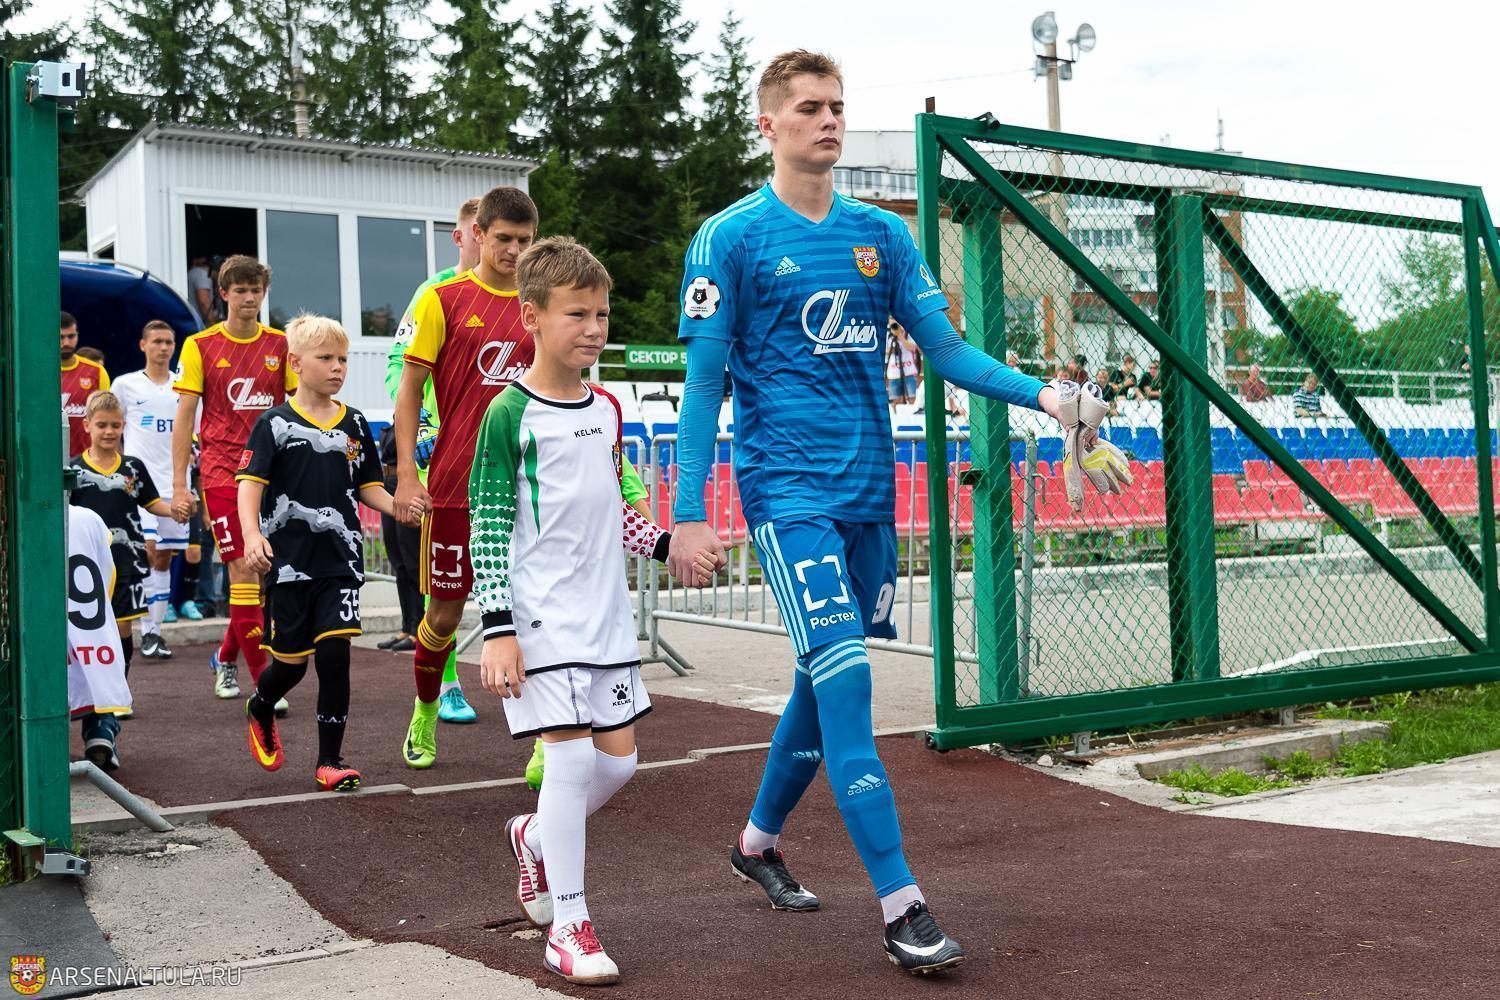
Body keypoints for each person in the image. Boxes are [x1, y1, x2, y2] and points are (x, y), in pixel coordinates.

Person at [667, 49, 1129, 974]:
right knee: (847, 683)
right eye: (809, 107)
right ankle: (901, 903)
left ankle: (757, 842)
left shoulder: (883, 234)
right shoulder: (729, 238)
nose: (828, 120)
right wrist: (688, 512)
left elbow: (947, 352)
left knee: (819, 679)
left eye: (837, 106)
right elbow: (704, 386)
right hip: (787, 493)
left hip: (870, 497)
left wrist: (1050, 398)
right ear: (768, 124)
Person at [475, 237, 714, 985]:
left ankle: (534, 836)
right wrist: (497, 629)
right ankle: (569, 928)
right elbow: (486, 525)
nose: (593, 328)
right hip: (539, 619)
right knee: (572, 760)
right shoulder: (508, 412)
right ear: (532, 316)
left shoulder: (607, 408)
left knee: (620, 763)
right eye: (576, 313)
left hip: (606, 617)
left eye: (601, 314)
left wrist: (668, 544)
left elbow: (615, 513)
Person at [392, 186, 538, 769]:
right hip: (454, 482)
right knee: (443, 616)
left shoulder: (542, 300)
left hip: (527, 487)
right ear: (477, 234)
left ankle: (546, 739)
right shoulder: (441, 299)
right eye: (504, 238)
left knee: (535, 615)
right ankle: (426, 709)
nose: (514, 250)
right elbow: (408, 390)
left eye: (525, 240)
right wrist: (408, 473)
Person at [239, 314, 397, 793]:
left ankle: (330, 761)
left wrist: (400, 507)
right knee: (290, 665)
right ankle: (261, 705)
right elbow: (250, 485)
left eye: (343, 359)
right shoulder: (273, 423)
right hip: (287, 564)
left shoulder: (355, 422)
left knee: (334, 655)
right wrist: (251, 536)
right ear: (295, 363)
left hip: (340, 560)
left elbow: (368, 486)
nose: (337, 367)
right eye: (326, 358)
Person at [170, 255, 296, 705]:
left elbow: (299, 406)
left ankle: (225, 658)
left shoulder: (281, 344)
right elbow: (185, 417)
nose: (248, 298)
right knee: (242, 567)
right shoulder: (199, 345)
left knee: (259, 576)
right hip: (222, 472)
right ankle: (265, 682)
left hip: (272, 473)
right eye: (239, 290)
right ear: (223, 293)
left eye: (255, 290)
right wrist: (181, 484)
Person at [386, 198, 483, 724]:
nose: (494, 245)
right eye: (480, 233)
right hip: (440, 461)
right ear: (463, 236)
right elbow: (399, 371)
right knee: (443, 589)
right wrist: (423, 430)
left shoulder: (529, 292)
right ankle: (443, 685)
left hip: (501, 464)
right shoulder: (434, 292)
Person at [70, 391, 180, 734]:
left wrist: (174, 509)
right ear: (87, 425)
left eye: (115, 425)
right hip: (85, 568)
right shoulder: (73, 470)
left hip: (126, 560)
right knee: (85, 633)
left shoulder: (133, 467)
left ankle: (117, 694)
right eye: (102, 425)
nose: (109, 432)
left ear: (124, 426)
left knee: (121, 629)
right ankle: (89, 696)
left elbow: (151, 502)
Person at [114, 321, 186, 660]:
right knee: (148, 550)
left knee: (164, 556)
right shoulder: (125, 384)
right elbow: (112, 428)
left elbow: (194, 431)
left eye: (169, 342)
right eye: (157, 341)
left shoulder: (183, 386)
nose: (164, 347)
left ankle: (153, 633)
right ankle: (139, 628)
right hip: (139, 485)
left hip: (175, 484)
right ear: (143, 345)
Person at [68, 505, 132, 771]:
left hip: (36, 627)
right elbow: (108, 576)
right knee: (96, 669)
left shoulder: (16, 517)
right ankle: (101, 730)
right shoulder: (88, 517)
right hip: (88, 625)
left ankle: (40, 741)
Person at [61, 311, 111, 458]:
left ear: (77, 335)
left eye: (71, 336)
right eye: (61, 337)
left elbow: (107, 417)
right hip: (47, 459)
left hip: (88, 460)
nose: (66, 343)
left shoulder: (96, 372)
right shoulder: (41, 371)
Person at [884, 319, 920, 411]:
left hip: (909, 372)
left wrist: (900, 335)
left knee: (912, 399)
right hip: (893, 373)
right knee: (895, 401)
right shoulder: (888, 334)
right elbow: (884, 350)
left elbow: (911, 347)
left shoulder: (908, 333)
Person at [188, 255, 219, 327]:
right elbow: (204, 302)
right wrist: (213, 325)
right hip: (199, 325)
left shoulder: (193, 272)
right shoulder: (203, 275)